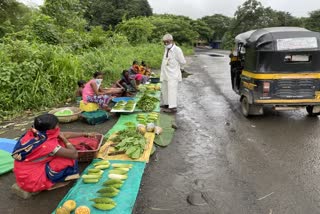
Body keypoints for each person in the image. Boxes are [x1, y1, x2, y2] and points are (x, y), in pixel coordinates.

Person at [11, 114, 95, 193]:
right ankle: (50, 183)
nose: (58, 127)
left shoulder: (35, 132)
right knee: (69, 159)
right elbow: (74, 154)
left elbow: (62, 134)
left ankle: (48, 177)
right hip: (32, 180)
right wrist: (65, 140)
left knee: (61, 145)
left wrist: (85, 134)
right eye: (57, 125)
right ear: (51, 129)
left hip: (22, 172)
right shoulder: (48, 145)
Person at [160, 33, 186, 113]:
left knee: (172, 91)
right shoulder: (166, 49)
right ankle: (166, 104)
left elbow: (183, 62)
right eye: (164, 42)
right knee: (165, 89)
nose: (165, 44)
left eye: (167, 42)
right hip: (165, 74)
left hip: (173, 74)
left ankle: (172, 107)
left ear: (172, 41)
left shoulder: (177, 50)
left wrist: (179, 68)